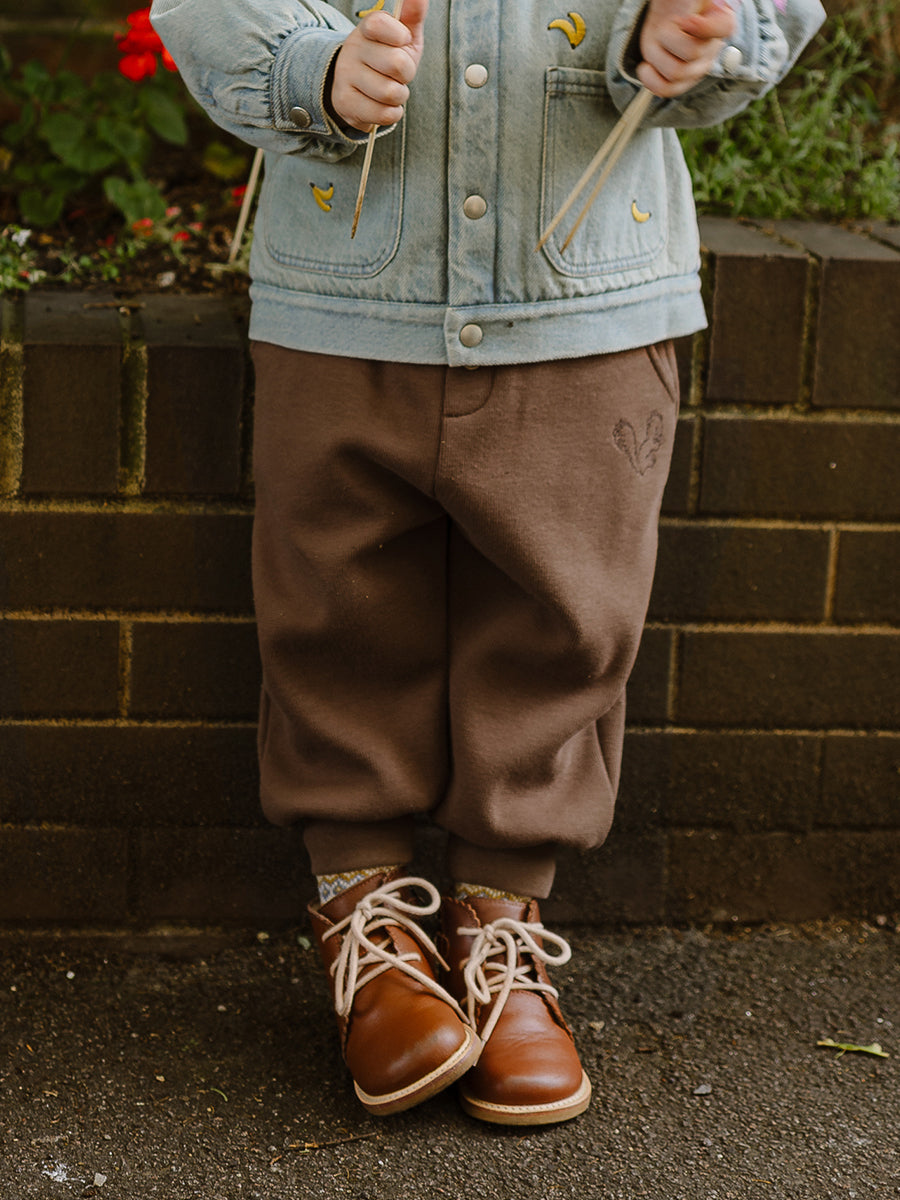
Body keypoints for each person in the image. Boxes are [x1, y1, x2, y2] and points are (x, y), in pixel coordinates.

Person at [150, 0, 824, 1125]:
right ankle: (366, 918)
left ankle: (501, 922)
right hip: (344, 305)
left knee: (565, 622)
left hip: (585, 306)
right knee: (332, 609)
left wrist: (699, 33)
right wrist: (310, 70)